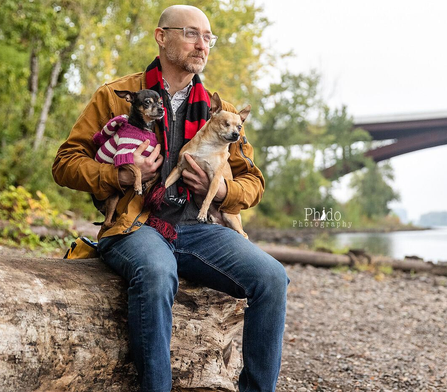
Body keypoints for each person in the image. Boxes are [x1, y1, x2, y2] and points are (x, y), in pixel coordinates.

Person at [52, 5, 288, 392]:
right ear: (162, 37)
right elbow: (65, 163)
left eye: (208, 37)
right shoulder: (115, 96)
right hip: (135, 225)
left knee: (273, 278)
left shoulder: (222, 114)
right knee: (159, 273)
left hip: (200, 229)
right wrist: (119, 174)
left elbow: (253, 182)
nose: (202, 44)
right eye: (191, 34)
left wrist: (224, 191)